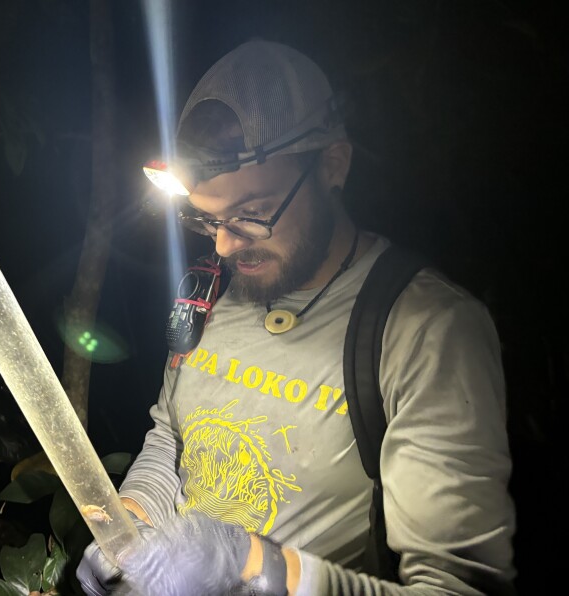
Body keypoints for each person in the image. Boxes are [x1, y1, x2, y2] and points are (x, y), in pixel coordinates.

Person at [76, 39, 516, 595]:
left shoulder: (429, 329)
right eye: (205, 218)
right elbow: (171, 438)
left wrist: (255, 566)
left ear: (333, 164)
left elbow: (455, 588)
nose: (227, 245)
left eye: (253, 215)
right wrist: (132, 526)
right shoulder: (210, 291)